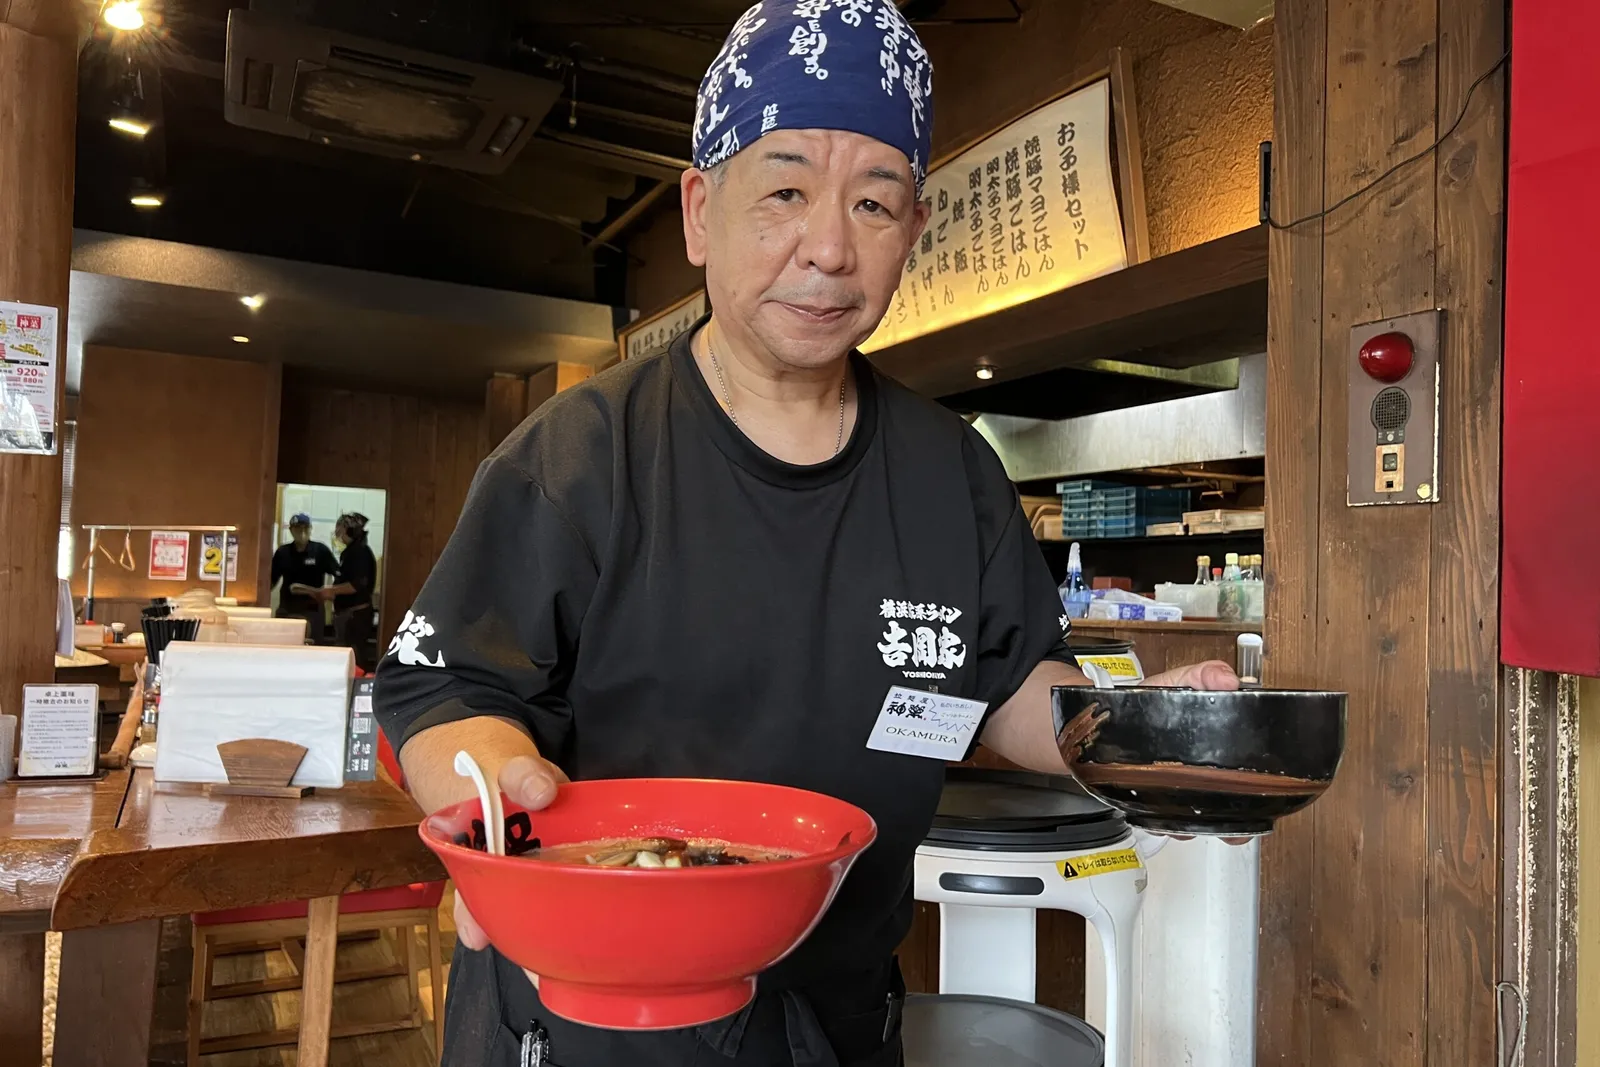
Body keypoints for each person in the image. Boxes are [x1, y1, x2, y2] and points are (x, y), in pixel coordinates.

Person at [374, 5, 1238, 1064]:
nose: (828, 248)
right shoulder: (580, 453)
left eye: (874, 203)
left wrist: (1145, 737)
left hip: (836, 1011)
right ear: (699, 211)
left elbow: (1011, 683)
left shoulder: (948, 468)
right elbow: (445, 683)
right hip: (593, 1005)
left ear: (912, 233)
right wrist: (496, 809)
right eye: (784, 190)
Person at [317, 512, 378, 671]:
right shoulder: (352, 552)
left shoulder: (360, 553)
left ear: (348, 531)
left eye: (340, 530)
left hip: (354, 617)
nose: (337, 534)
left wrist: (333, 590)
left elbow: (356, 585)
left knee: (353, 659)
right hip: (348, 615)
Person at [269, 513, 337, 642]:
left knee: (313, 646)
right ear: (291, 530)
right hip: (287, 608)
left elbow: (338, 574)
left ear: (310, 529)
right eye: (298, 528)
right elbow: (271, 581)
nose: (302, 532)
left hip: (313, 610)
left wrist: (330, 594)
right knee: (283, 645)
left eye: (305, 528)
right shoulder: (283, 552)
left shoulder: (320, 550)